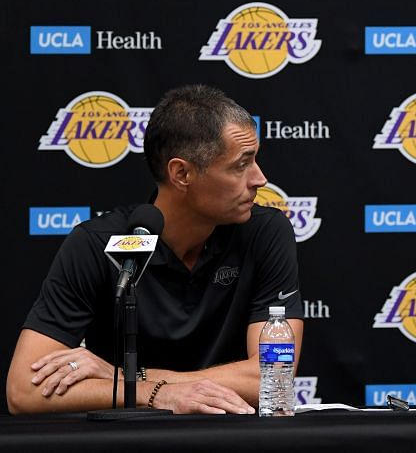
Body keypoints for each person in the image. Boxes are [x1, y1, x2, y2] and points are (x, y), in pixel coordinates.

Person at [7, 84, 303, 414]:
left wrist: (128, 378)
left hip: (231, 436)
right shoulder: (96, 245)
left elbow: (274, 376)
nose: (259, 179)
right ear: (182, 173)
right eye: (240, 165)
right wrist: (154, 394)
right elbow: (22, 392)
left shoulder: (265, 231)